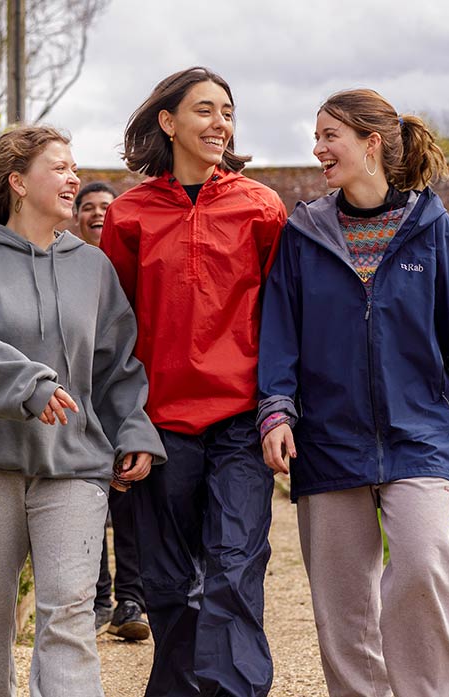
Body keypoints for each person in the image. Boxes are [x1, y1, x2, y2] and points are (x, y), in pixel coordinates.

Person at [256, 88, 449, 697]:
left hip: (417, 436)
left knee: (424, 561)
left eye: (331, 135)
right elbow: (279, 335)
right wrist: (276, 411)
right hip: (328, 443)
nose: (318, 147)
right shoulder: (303, 234)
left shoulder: (430, 228)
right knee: (342, 605)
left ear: (370, 143)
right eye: (317, 134)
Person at [0, 126, 166, 697]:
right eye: (59, 168)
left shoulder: (93, 267)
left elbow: (115, 364)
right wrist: (28, 384)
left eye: (74, 167)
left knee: (70, 620)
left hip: (74, 465)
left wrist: (132, 431)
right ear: (18, 182)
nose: (73, 178)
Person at [99, 66, 288, 697]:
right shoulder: (127, 217)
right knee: (169, 583)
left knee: (234, 569)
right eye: (205, 110)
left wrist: (280, 409)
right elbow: (114, 333)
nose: (220, 123)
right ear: (168, 122)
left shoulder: (261, 207)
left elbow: (284, 317)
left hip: (239, 420)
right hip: (161, 427)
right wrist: (124, 423)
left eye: (228, 112)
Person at [71, 179, 152, 641]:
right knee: (87, 500)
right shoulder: (68, 264)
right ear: (77, 215)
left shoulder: (129, 261)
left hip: (126, 392)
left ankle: (131, 599)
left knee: (128, 499)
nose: (99, 213)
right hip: (79, 398)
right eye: (90, 207)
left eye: (107, 206)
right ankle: (98, 599)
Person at [74, 181, 116, 246]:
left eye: (105, 208)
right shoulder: (60, 254)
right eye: (88, 208)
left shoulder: (133, 254)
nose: (97, 212)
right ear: (76, 217)